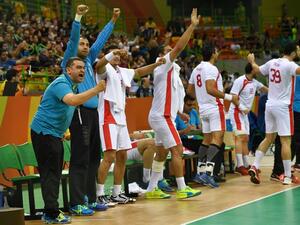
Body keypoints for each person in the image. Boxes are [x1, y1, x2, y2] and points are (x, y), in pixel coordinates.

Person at [30, 57, 106, 224]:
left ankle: (51, 211)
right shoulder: (61, 84)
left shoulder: (72, 85)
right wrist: (96, 89)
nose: (82, 70)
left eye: (83, 68)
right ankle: (51, 213)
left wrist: (62, 128)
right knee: (51, 174)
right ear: (68, 70)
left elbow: (53, 103)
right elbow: (72, 101)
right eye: (78, 67)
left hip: (54, 133)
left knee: (54, 172)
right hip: (44, 133)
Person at [60, 5, 120, 215]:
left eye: (87, 44)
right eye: (82, 44)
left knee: (94, 156)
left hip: (94, 114)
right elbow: (73, 39)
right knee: (80, 158)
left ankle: (91, 199)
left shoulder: (88, 59)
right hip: (80, 113)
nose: (86, 46)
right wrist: (78, 17)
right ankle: (77, 202)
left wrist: (112, 20)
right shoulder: (70, 59)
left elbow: (101, 41)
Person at [95, 47, 166, 204]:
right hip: (108, 118)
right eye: (115, 54)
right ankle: (99, 194)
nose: (118, 56)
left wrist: (156, 65)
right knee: (109, 156)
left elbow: (139, 72)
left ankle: (116, 193)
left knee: (122, 156)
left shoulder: (122, 71)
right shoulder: (103, 68)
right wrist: (112, 53)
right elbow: (98, 65)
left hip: (121, 119)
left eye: (119, 55)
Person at [146, 8, 201, 200]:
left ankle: (152, 188)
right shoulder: (162, 65)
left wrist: (180, 113)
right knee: (177, 150)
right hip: (162, 117)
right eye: (167, 50)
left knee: (161, 153)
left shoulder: (174, 72)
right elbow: (179, 47)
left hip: (164, 115)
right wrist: (192, 26)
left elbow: (170, 97)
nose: (171, 51)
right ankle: (182, 188)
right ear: (160, 57)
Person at [247, 41, 300, 185]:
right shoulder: (290, 65)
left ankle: (255, 165)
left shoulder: (272, 63)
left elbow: (257, 70)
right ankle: (288, 176)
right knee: (286, 141)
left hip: (269, 105)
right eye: (298, 50)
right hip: (283, 107)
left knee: (268, 138)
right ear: (293, 53)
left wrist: (252, 61)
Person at [187, 44, 239, 188]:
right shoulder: (211, 68)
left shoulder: (196, 69)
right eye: (216, 51)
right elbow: (210, 89)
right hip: (215, 107)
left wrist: (201, 98)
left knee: (207, 139)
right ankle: (208, 173)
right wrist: (229, 97)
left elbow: (190, 91)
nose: (218, 53)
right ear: (213, 53)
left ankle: (200, 172)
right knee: (218, 138)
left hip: (203, 108)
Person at [228, 63, 268, 175]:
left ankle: (246, 164)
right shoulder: (240, 81)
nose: (258, 69)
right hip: (236, 111)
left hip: (245, 114)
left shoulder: (255, 82)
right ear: (252, 70)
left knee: (245, 138)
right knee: (239, 138)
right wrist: (241, 107)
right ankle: (239, 166)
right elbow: (232, 96)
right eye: (256, 68)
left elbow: (266, 89)